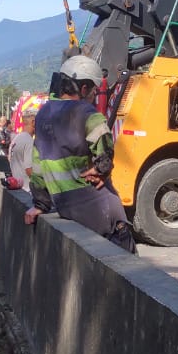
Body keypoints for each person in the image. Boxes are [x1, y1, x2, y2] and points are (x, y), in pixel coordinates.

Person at [24, 54, 135, 253]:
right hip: (101, 209)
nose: (93, 97)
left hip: (67, 209)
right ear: (84, 89)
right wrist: (102, 170)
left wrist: (40, 203)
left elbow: (38, 164)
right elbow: (106, 149)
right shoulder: (86, 113)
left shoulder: (42, 114)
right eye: (93, 92)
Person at [7, 108, 37, 192]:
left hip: (18, 188)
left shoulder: (16, 138)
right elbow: (29, 170)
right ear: (33, 122)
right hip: (28, 190)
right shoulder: (29, 141)